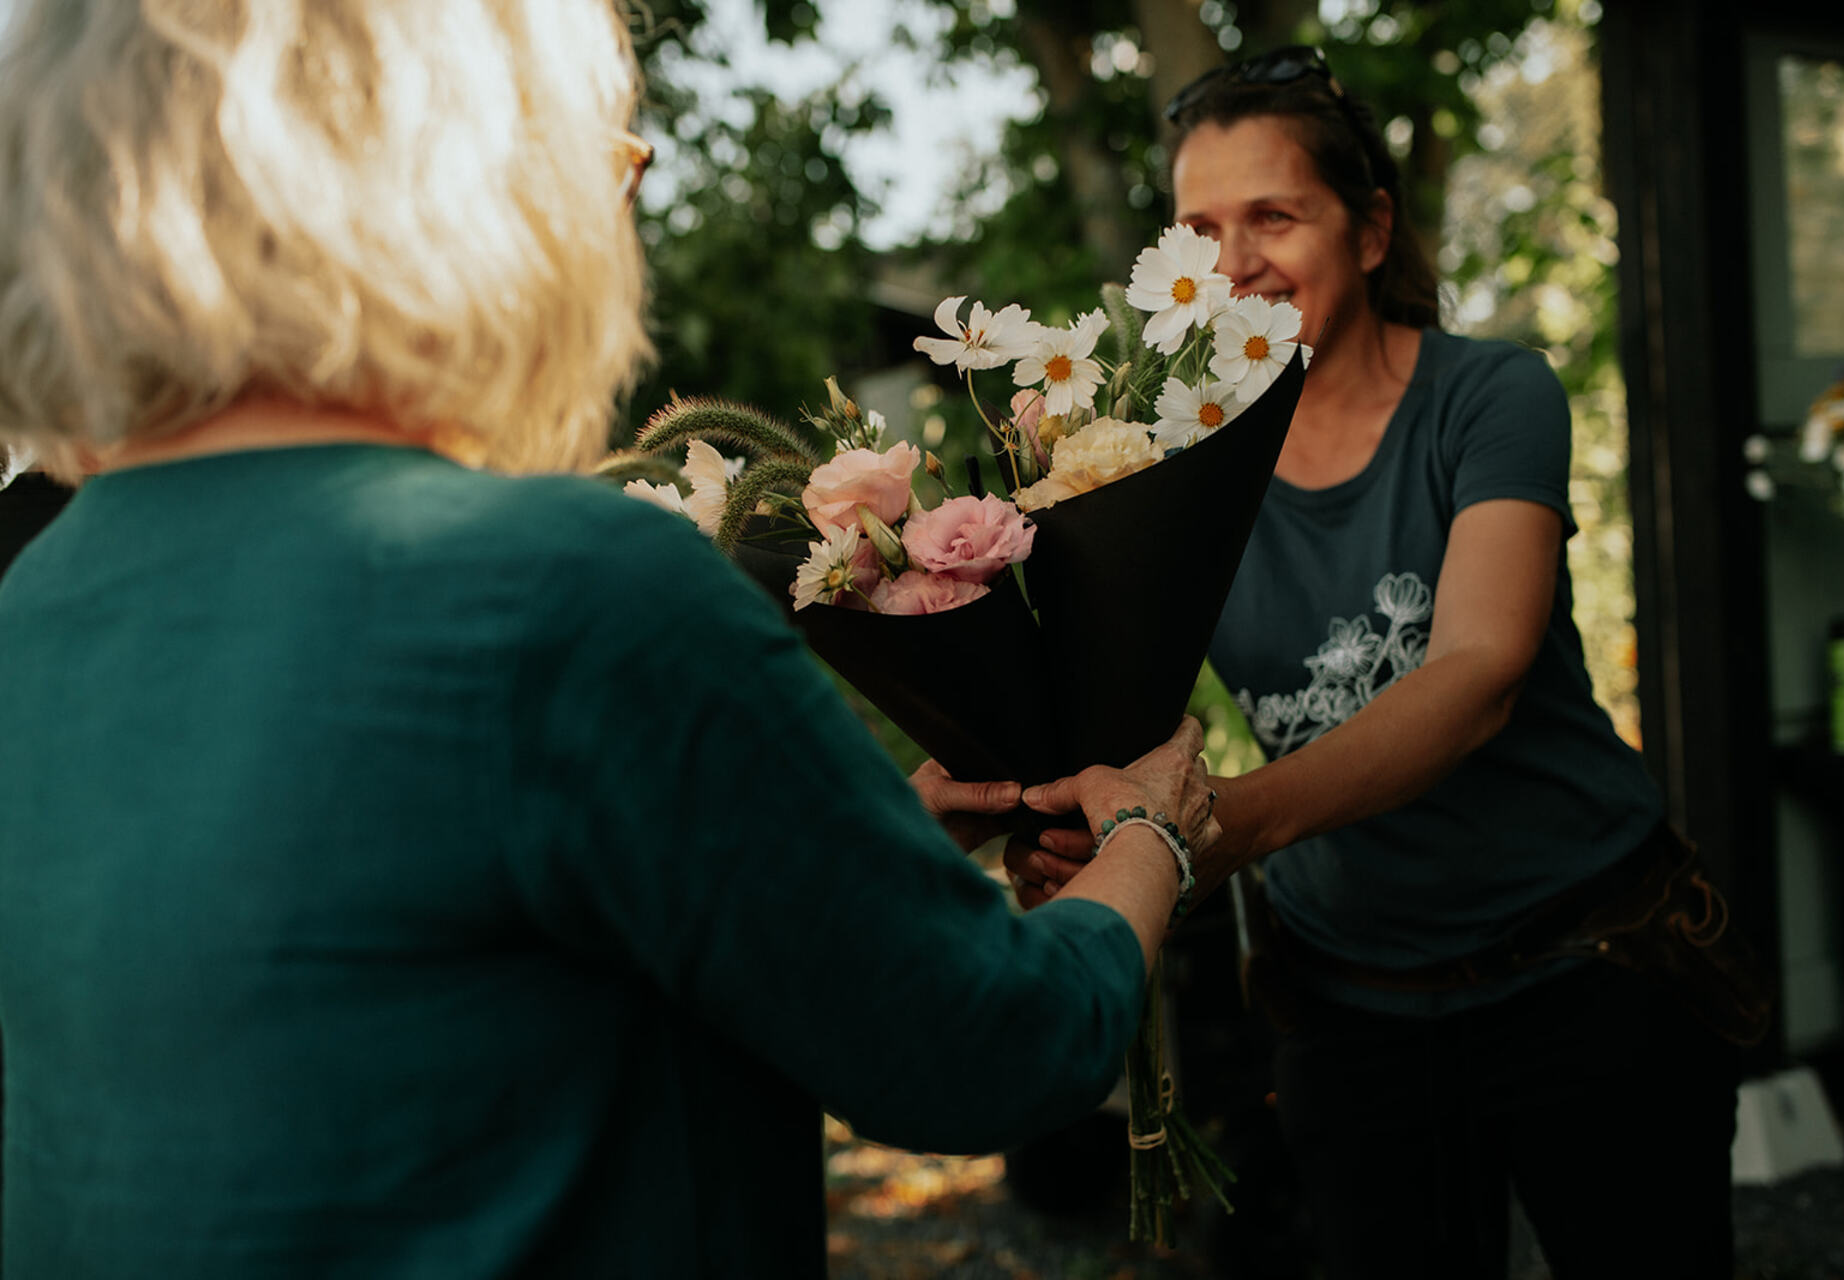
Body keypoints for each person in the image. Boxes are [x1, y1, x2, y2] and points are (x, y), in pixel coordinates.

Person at [0, 3, 1226, 1276]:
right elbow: (980, 1048)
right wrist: (1149, 839)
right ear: (468, 175)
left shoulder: (36, 602)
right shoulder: (556, 590)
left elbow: (397, 991)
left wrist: (852, 853)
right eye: (612, 158)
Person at [1004, 46, 1744, 1279]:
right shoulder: (1164, 470)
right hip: (1349, 1012)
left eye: (1274, 216)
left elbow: (1478, 669)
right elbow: (1127, 719)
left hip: (1588, 969)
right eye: (1199, 227)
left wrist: (1215, 827)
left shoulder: (1489, 396)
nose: (1233, 262)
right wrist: (1071, 822)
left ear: (1370, 229)